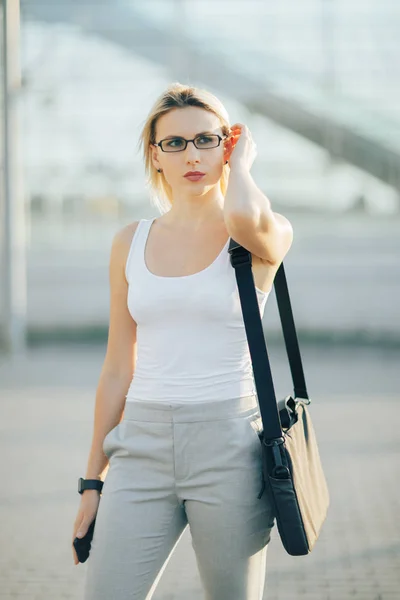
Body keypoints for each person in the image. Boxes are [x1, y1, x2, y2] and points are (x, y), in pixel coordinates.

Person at [72, 82, 293, 599]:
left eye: (207, 140)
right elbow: (116, 369)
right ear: (155, 155)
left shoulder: (264, 231)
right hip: (140, 446)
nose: (192, 154)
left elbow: (243, 216)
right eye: (175, 143)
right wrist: (91, 482)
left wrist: (241, 168)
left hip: (229, 447)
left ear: (227, 145)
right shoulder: (130, 241)